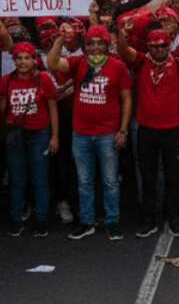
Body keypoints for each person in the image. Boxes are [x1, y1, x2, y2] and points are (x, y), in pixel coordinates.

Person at [47, 25, 132, 241]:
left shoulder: (118, 67)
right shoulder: (78, 63)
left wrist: (123, 129)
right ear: (85, 46)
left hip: (107, 133)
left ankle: (112, 221)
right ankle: (86, 222)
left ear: (106, 45)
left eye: (99, 43)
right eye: (91, 43)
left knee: (110, 181)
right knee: (84, 181)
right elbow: (53, 63)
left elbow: (126, 98)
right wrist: (59, 40)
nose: (95, 47)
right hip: (81, 134)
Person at [122, 27, 179, 238]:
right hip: (146, 129)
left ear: (169, 45)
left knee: (173, 177)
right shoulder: (142, 61)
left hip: (172, 129)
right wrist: (121, 31)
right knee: (148, 176)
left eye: (163, 45)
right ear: (148, 47)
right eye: (154, 46)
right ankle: (149, 219)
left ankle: (173, 218)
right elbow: (124, 51)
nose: (159, 49)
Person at [0, 41, 60, 237]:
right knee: (17, 179)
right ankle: (16, 218)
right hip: (15, 135)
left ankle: (41, 219)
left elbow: (52, 108)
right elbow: (2, 108)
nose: (23, 62)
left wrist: (55, 136)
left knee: (40, 178)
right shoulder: (6, 80)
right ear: (14, 60)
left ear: (35, 60)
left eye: (27, 58)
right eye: (19, 58)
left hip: (39, 133)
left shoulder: (44, 79)